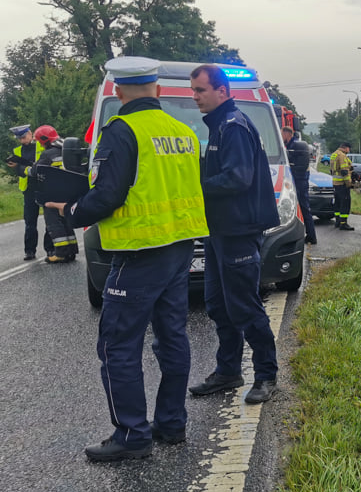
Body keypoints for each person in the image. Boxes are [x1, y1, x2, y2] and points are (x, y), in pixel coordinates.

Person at [46, 57, 209, 461]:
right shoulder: (183, 130)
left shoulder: (120, 132)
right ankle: (172, 423)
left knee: (117, 344)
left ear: (118, 91)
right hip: (180, 246)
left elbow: (106, 195)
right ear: (156, 88)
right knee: (172, 337)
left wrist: (68, 212)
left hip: (139, 252)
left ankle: (132, 434)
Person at [187, 64, 280, 405]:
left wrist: (196, 188)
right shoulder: (219, 126)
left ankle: (266, 375)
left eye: (200, 90)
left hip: (238, 231)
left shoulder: (234, 126)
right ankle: (227, 371)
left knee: (244, 307)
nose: (194, 96)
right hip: (218, 232)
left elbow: (238, 178)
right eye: (193, 89)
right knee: (217, 305)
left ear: (222, 92)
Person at [26, 125, 79, 263]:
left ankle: (61, 253)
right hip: (68, 193)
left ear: (44, 140)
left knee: (54, 223)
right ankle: (71, 251)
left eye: (39, 141)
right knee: (66, 221)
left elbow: (35, 171)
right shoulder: (67, 150)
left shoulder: (48, 154)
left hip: (52, 194)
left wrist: (23, 169)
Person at [7, 124, 51, 260]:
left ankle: (50, 249)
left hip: (44, 187)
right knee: (30, 222)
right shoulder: (18, 151)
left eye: (24, 137)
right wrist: (14, 167)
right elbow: (19, 171)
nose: (22, 140)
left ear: (31, 134)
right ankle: (30, 251)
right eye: (20, 138)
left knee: (50, 219)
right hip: (28, 189)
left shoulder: (41, 146)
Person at [282, 125, 316, 244]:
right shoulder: (291, 145)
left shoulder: (296, 145)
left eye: (282, 134)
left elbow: (294, 165)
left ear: (287, 134)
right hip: (298, 180)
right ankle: (305, 234)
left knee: (304, 207)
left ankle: (311, 235)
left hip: (300, 182)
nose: (281, 137)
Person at [329, 141, 354, 231]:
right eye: (348, 149)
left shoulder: (334, 154)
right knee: (345, 203)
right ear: (345, 147)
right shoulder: (342, 156)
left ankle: (337, 221)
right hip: (343, 184)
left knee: (337, 203)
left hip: (335, 183)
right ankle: (344, 223)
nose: (349, 150)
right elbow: (344, 172)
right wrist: (349, 184)